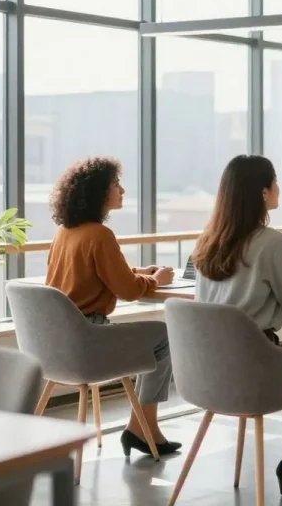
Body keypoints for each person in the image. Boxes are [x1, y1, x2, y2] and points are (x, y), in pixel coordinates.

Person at [192, 154, 282, 496]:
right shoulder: (271, 242)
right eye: (275, 181)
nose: (278, 187)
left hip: (208, 372)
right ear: (262, 192)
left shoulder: (207, 241)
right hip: (256, 367)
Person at [45, 156, 181, 457]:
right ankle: (142, 427)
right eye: (115, 185)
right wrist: (154, 280)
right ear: (98, 192)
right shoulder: (100, 235)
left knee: (156, 337)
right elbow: (129, 291)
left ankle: (142, 428)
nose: (122, 190)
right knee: (164, 336)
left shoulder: (64, 233)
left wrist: (139, 272)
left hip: (57, 342)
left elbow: (95, 275)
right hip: (89, 337)